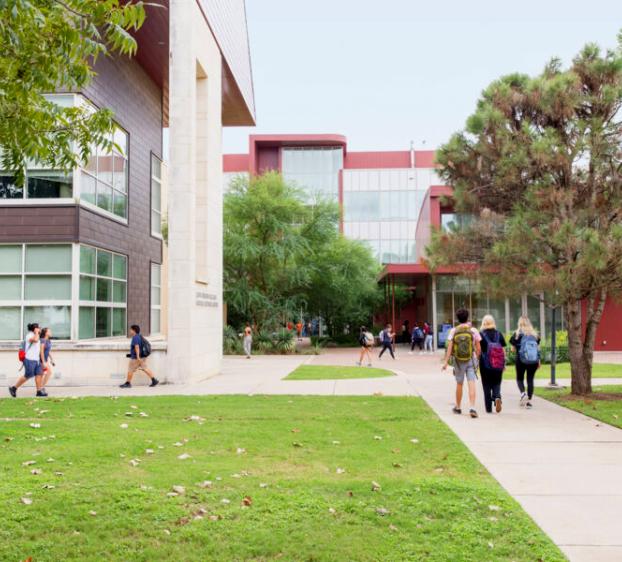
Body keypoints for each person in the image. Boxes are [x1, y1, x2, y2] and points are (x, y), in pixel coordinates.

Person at [442, 308, 481, 418]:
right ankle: (472, 407)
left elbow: (449, 347)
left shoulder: (454, 331)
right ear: (468, 317)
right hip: (471, 359)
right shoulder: (473, 330)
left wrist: (446, 362)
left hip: (458, 361)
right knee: (471, 382)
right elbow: (479, 348)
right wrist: (476, 359)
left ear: (457, 318)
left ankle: (458, 407)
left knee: (459, 383)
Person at [510, 316, 541, 409]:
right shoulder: (535, 334)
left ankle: (523, 394)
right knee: (530, 379)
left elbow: (512, 349)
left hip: (521, 360)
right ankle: (529, 401)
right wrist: (538, 360)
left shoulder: (517, 334)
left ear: (519, 323)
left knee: (520, 378)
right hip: (533, 361)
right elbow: (537, 349)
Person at [9, 323, 46, 398]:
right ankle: (14, 388)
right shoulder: (29, 335)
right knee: (28, 375)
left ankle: (39, 391)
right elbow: (35, 340)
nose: (40, 329)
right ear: (35, 328)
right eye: (39, 327)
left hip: (36, 360)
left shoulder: (37, 335)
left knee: (39, 374)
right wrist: (36, 333)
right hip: (29, 359)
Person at [479, 315, 507, 414]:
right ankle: (497, 397)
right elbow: (503, 350)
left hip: (485, 364)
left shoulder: (481, 335)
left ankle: (488, 408)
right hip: (498, 364)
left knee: (486, 386)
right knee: (496, 382)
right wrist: (504, 363)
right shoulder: (499, 334)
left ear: (483, 323)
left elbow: (479, 351)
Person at [119, 325, 159, 389]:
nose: (130, 331)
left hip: (136, 358)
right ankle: (154, 380)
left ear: (134, 330)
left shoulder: (135, 337)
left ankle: (128, 383)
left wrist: (137, 357)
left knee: (130, 370)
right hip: (142, 357)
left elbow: (137, 347)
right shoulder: (140, 336)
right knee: (145, 368)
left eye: (131, 329)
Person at [39, 327, 55, 394]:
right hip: (41, 360)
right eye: (49, 331)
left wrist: (51, 359)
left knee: (42, 374)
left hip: (45, 360)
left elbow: (47, 351)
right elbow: (41, 351)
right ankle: (41, 388)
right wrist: (43, 362)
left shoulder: (48, 340)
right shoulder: (42, 340)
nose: (51, 332)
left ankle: (40, 388)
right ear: (45, 333)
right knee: (48, 373)